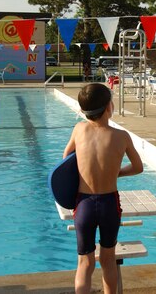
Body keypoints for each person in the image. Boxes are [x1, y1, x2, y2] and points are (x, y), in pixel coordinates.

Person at [62, 83, 144, 294]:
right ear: (109, 107)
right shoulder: (121, 136)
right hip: (109, 203)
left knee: (85, 263)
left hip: (84, 204)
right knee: (108, 260)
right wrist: (117, 173)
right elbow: (138, 167)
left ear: (83, 110)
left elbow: (65, 159)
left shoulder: (79, 129)